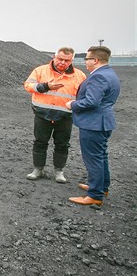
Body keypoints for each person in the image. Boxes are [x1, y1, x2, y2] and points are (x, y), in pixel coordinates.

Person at [66, 46, 121, 207]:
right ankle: (101, 187)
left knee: (93, 158)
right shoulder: (110, 74)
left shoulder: (98, 77)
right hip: (103, 121)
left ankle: (95, 195)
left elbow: (91, 101)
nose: (86, 62)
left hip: (94, 123)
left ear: (95, 60)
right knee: (101, 156)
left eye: (87, 59)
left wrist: (72, 104)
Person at [24, 47, 86, 183]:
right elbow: (28, 85)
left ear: (71, 61)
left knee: (62, 144)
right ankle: (38, 169)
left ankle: (59, 171)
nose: (62, 62)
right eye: (60, 59)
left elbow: (84, 96)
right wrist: (45, 86)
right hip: (42, 114)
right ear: (54, 57)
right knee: (40, 142)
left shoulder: (80, 75)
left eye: (66, 60)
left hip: (65, 117)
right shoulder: (40, 70)